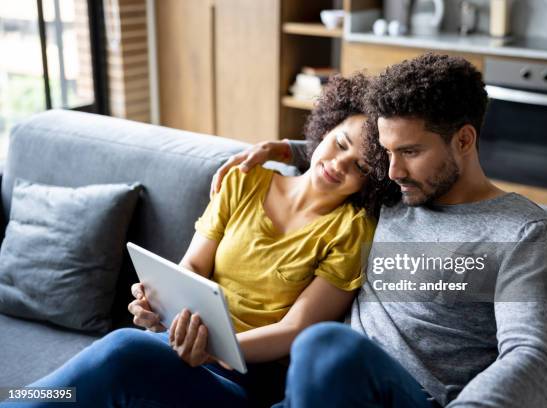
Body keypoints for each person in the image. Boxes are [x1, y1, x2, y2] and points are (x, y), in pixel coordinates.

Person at [1, 74, 397, 408]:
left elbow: (296, 330)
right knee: (122, 355)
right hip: (185, 348)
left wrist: (214, 349)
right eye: (341, 144)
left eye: (361, 167)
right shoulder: (244, 180)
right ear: (325, 130)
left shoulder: (352, 229)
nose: (340, 164)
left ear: (372, 181)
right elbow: (192, 267)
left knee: (123, 349)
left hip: (244, 377)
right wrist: (160, 303)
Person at [214, 53, 547, 408]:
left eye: (410, 151)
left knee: (324, 342)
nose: (392, 170)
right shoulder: (392, 195)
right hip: (327, 391)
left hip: (414, 397)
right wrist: (283, 150)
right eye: (385, 152)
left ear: (463, 141)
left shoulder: (526, 233)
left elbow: (533, 356)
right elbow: (339, 157)